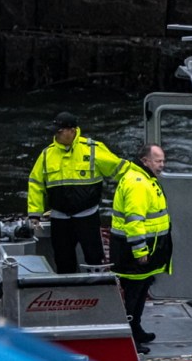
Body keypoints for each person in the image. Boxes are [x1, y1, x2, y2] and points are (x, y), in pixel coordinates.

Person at [27, 111, 130, 273]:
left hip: (87, 216)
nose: (56, 134)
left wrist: (143, 178)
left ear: (72, 130)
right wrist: (34, 214)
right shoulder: (47, 155)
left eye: (60, 131)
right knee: (63, 260)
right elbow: (36, 184)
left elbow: (121, 169)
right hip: (59, 218)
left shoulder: (93, 150)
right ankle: (68, 294)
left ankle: (97, 291)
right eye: (56, 131)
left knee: (94, 258)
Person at [110, 144, 172, 354]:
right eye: (157, 161)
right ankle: (128, 338)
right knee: (132, 296)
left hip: (147, 250)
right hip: (133, 254)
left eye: (163, 161)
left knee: (141, 292)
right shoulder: (137, 183)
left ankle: (135, 330)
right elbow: (134, 222)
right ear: (145, 161)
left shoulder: (145, 179)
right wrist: (140, 251)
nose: (162, 165)